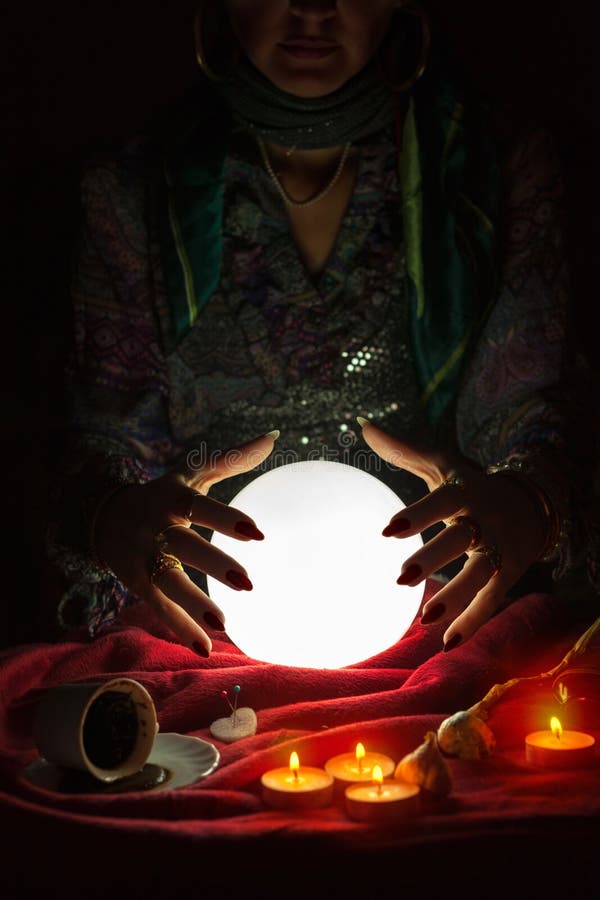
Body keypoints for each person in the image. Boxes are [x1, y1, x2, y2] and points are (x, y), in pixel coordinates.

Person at [47, 0, 597, 660]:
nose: (313, 9)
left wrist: (529, 503)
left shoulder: (493, 173)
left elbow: (530, 403)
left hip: (447, 630)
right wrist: (112, 517)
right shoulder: (133, 191)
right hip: (201, 636)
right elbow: (106, 427)